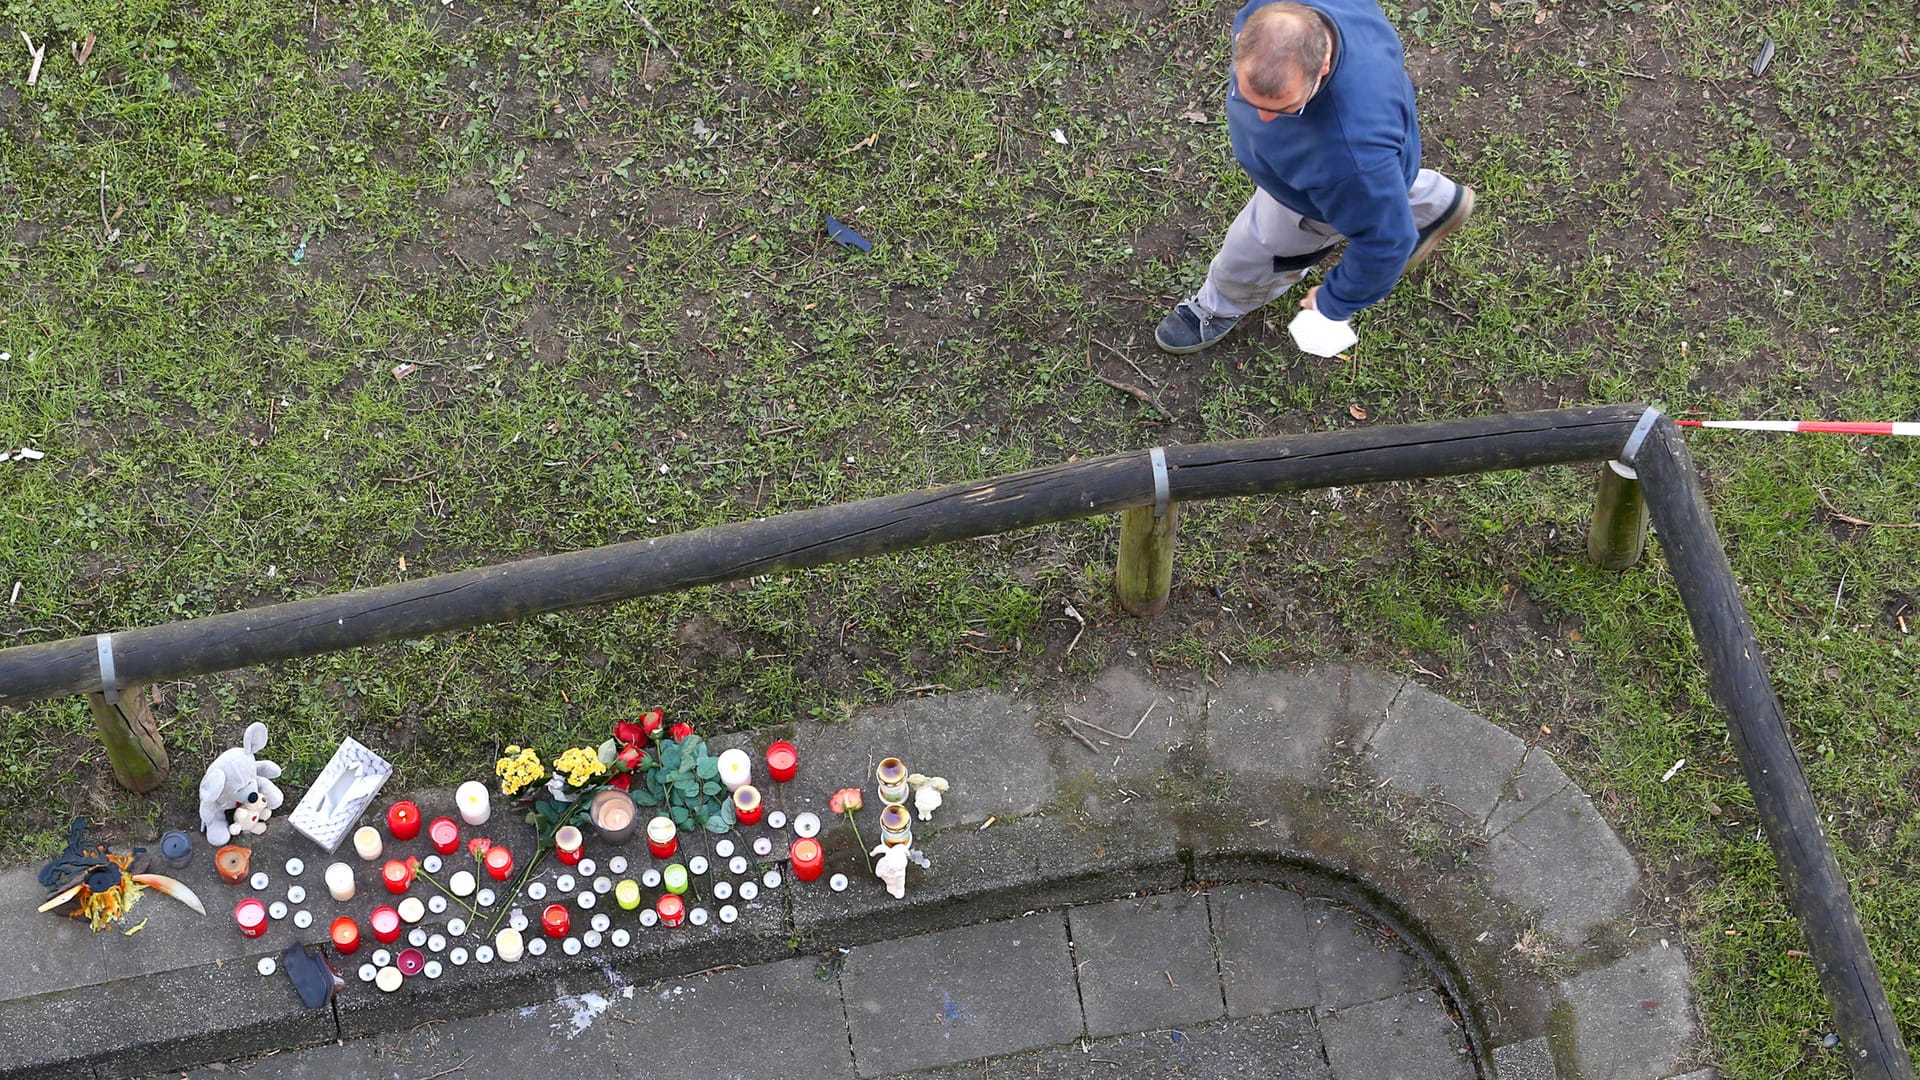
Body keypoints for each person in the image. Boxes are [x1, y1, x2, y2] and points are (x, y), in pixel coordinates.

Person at [1154, 0, 1474, 355]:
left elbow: (1388, 243)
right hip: (1367, 175)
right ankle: (1428, 203)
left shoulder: (1348, 154)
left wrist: (1332, 304)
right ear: (1247, 32)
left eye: (1286, 109)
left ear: (1323, 65)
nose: (1263, 119)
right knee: (1373, 199)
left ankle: (1220, 304)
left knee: (1257, 248)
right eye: (1248, 96)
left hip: (1308, 198)